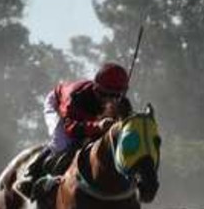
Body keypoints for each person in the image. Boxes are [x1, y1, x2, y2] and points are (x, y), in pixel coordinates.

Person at [13, 62, 131, 199]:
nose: (111, 101)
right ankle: (30, 175)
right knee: (62, 143)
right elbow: (70, 128)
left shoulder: (119, 101)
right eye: (107, 95)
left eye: (116, 96)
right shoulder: (75, 97)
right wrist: (98, 126)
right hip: (58, 107)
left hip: (86, 118)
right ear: (97, 89)